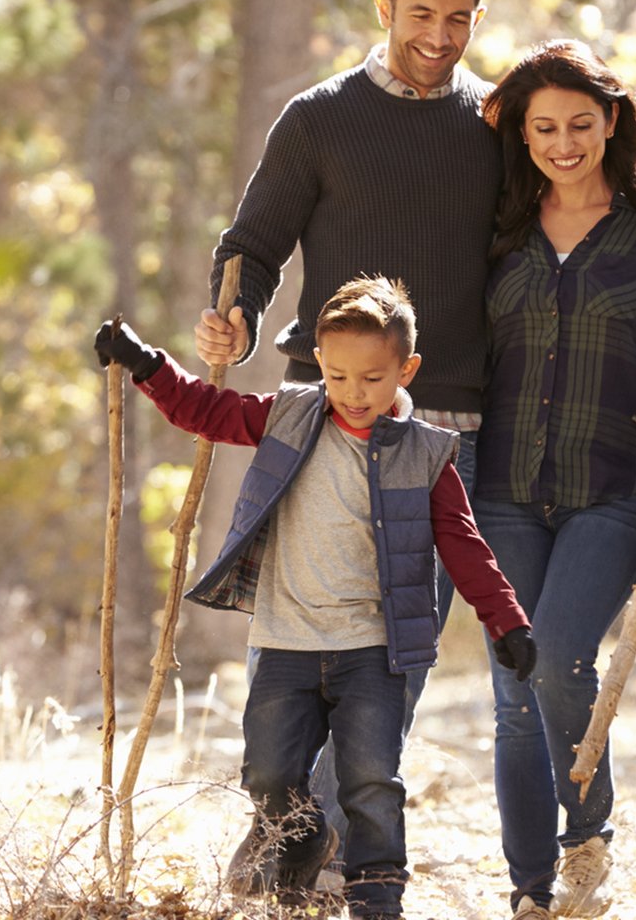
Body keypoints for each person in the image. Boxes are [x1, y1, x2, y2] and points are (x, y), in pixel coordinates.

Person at [193, 0, 636, 883]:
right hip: (329, 420)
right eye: (422, 12)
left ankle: (315, 840)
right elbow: (254, 245)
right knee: (316, 632)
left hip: (453, 434)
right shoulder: (318, 118)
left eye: (461, 18)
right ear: (385, 6)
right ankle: (289, 824)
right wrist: (230, 313)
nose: (439, 34)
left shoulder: (493, 125)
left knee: (405, 649)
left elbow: (584, 190)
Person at [95, 277, 535, 920]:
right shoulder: (291, 416)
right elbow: (207, 411)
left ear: (406, 370)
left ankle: (377, 899)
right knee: (267, 776)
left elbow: (464, 545)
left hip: (374, 652)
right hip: (286, 642)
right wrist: (144, 362)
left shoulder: (426, 453)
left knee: (370, 784)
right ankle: (303, 840)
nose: (355, 394)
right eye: (338, 376)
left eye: (373, 378)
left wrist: (507, 621)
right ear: (320, 366)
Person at [472, 40, 636, 920]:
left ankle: (586, 839)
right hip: (499, 487)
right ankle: (531, 891)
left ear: (611, 122)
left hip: (613, 486)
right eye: (545, 127)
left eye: (581, 123)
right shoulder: (496, 220)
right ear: (525, 135)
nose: (564, 142)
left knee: (560, 659)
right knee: (511, 693)